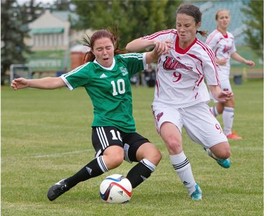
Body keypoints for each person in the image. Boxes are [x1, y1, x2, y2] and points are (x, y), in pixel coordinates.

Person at [11, 29, 163, 201]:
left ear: (113, 46)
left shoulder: (125, 62)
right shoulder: (89, 70)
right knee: (115, 158)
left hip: (127, 128)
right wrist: (28, 82)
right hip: (105, 125)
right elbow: (57, 81)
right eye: (99, 49)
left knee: (154, 155)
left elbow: (151, 57)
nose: (105, 52)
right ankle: (68, 183)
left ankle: (120, 189)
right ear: (92, 51)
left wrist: (159, 47)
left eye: (108, 47)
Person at [126, 3, 233, 201]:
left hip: (195, 106)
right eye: (179, 25)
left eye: (187, 26)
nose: (181, 30)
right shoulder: (167, 36)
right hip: (165, 104)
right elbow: (130, 46)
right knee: (174, 143)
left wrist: (221, 95)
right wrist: (154, 47)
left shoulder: (204, 53)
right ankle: (193, 189)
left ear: (197, 25)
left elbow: (214, 87)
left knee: (224, 152)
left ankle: (210, 149)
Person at [205, 9, 256, 140]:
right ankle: (228, 133)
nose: (224, 20)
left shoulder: (230, 36)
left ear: (230, 19)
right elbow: (204, 54)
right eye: (221, 17)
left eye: (226, 17)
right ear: (217, 20)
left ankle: (201, 120)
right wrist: (217, 61)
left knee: (221, 106)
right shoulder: (214, 36)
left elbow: (232, 53)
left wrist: (245, 61)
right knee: (230, 101)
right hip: (216, 74)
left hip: (225, 73)